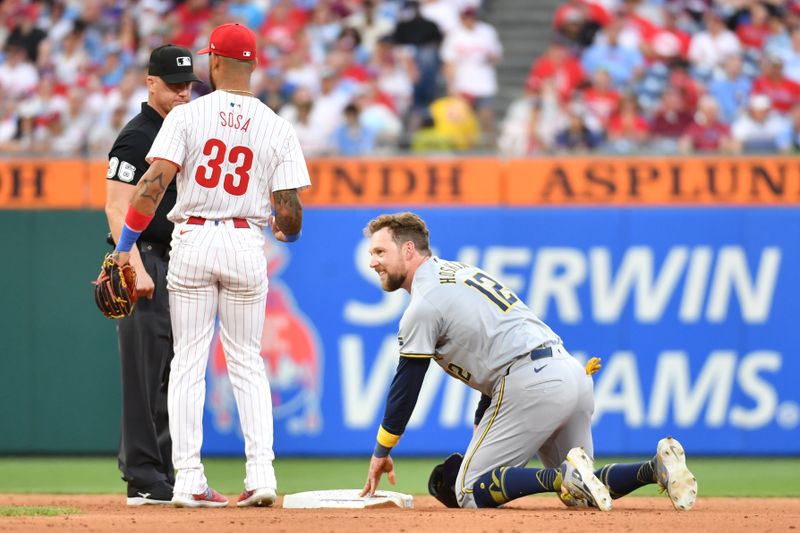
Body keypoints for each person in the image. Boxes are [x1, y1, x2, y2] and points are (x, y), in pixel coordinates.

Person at [358, 212, 698, 511]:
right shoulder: (459, 272)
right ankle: (655, 469)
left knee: (466, 490)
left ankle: (562, 475)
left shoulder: (424, 303)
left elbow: (407, 382)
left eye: (379, 251)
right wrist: (483, 420)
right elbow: (493, 344)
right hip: (568, 372)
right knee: (582, 491)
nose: (372, 261)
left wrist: (381, 450)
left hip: (529, 380)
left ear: (408, 250)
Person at [108, 23, 311, 508]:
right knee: (246, 361)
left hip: (193, 238)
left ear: (214, 63)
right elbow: (289, 215)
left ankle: (187, 480)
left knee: (189, 364)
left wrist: (125, 246)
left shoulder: (186, 116)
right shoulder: (277, 125)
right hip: (245, 242)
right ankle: (261, 475)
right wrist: (287, 231)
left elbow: (151, 187)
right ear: (255, 64)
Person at [104, 44, 200, 506]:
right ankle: (142, 474)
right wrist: (133, 264)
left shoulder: (186, 127)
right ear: (151, 83)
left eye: (188, 85)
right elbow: (116, 204)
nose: (183, 93)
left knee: (173, 372)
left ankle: (164, 471)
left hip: (180, 256)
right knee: (144, 373)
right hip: (145, 256)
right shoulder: (138, 135)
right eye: (173, 85)